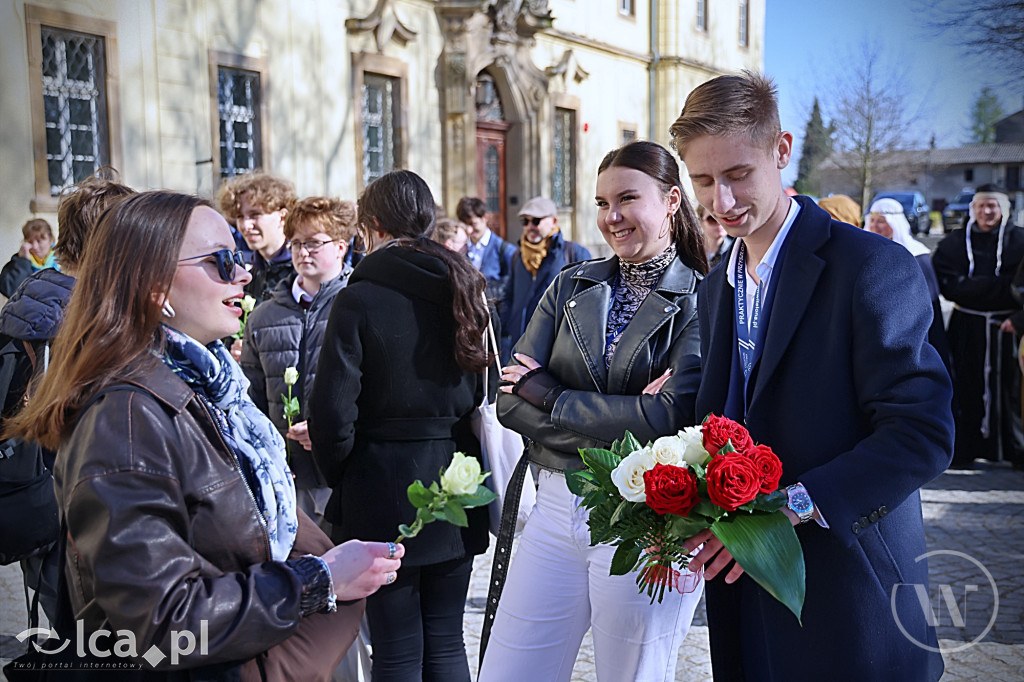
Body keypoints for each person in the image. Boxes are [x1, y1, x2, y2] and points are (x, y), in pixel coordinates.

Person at [5, 190, 403, 678]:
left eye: (237, 256)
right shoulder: (127, 415)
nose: (243, 273)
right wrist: (316, 581)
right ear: (155, 285)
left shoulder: (207, 387)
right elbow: (161, 620)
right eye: (220, 260)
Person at [670, 72, 953, 680]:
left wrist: (794, 505)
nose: (721, 203)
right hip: (747, 593)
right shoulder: (719, 281)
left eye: (738, 175)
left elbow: (921, 433)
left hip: (850, 591)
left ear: (781, 150)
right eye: (703, 181)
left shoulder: (872, 267)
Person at [479, 140, 707, 682]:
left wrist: (554, 396)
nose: (612, 217)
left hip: (647, 519)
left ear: (672, 200)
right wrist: (624, 417)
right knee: (508, 670)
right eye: (602, 203)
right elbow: (510, 400)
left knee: (633, 675)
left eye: (627, 199)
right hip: (554, 504)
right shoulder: (572, 284)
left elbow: (672, 420)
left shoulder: (702, 298)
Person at [309, 170, 491, 682]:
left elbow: (331, 412)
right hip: (458, 482)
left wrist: (343, 475)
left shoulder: (359, 296)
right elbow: (487, 391)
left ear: (371, 226)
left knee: (395, 651)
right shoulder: (466, 285)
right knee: (446, 640)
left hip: (379, 487)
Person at [0, 175, 135, 628]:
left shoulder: (28, 301)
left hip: (33, 499)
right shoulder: (74, 317)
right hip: (70, 508)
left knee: (54, 627)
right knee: (82, 635)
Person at [240, 196, 357, 531]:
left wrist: (330, 431)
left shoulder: (358, 305)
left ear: (340, 247)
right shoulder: (264, 316)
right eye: (296, 243)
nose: (303, 252)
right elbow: (252, 398)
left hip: (343, 469)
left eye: (314, 243)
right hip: (288, 472)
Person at [933, 184, 1024, 470]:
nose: (986, 212)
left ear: (1003, 209)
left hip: (1008, 327)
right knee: (965, 386)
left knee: (1011, 391)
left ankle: (1014, 449)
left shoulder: (1020, 241)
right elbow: (950, 286)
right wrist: (1001, 288)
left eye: (992, 206)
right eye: (980, 206)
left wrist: (1018, 316)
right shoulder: (953, 243)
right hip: (967, 326)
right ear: (972, 209)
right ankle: (965, 448)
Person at [866, 197, 953, 376]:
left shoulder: (916, 254)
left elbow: (925, 303)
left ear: (895, 223)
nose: (875, 226)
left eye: (881, 221)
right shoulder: (869, 253)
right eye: (872, 220)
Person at [499, 196, 592, 362]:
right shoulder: (518, 255)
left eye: (536, 221)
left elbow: (588, 303)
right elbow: (509, 296)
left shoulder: (574, 253)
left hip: (556, 349)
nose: (529, 227)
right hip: (519, 346)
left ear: (554, 221)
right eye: (524, 222)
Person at [217, 171, 297, 303]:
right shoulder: (248, 274)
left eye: (255, 215)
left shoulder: (303, 271)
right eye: (239, 217)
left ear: (282, 216)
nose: (245, 225)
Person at [455, 196, 515, 303]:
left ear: (485, 218)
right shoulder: (460, 247)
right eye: (465, 225)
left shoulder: (504, 250)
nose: (469, 230)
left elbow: (513, 284)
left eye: (473, 224)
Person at [0, 218, 59, 298]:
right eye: (30, 242)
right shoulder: (17, 264)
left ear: (51, 240)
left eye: (39, 241)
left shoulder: (62, 262)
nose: (35, 246)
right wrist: (23, 261)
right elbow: (11, 292)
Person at [697, 202, 734, 268]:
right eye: (712, 219)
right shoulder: (688, 250)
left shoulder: (735, 252)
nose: (719, 223)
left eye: (725, 217)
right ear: (700, 222)